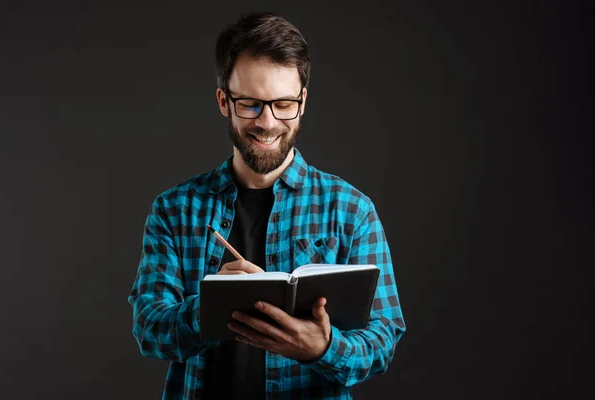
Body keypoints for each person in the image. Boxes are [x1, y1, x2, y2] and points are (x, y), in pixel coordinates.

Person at [128, 11, 406, 400]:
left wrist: (323, 349)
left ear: (302, 101)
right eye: (251, 104)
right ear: (224, 101)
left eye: (283, 104)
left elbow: (383, 338)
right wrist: (206, 309)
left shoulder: (352, 210)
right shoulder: (175, 210)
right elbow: (149, 331)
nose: (268, 122)